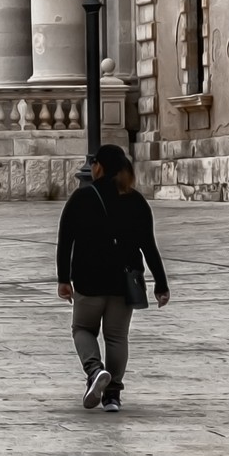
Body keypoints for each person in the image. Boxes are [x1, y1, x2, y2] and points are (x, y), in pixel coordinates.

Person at [56, 146, 170, 412]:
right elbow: (149, 246)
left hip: (88, 279)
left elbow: (65, 241)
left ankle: (95, 370)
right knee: (117, 337)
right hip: (125, 281)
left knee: (82, 329)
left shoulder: (82, 197)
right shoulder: (136, 201)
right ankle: (112, 396)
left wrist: (64, 279)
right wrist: (161, 285)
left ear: (100, 167)